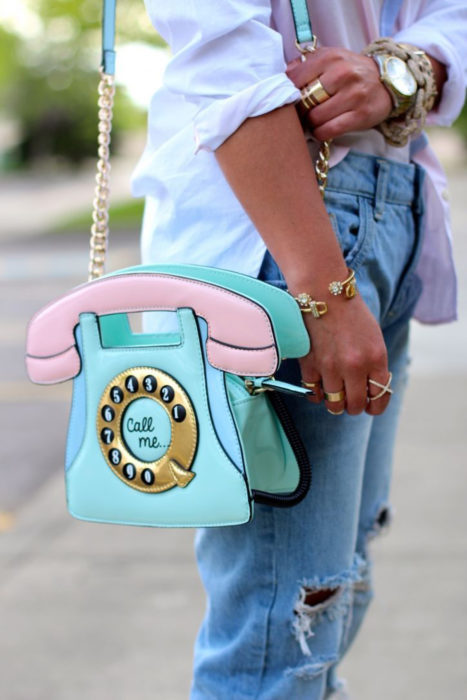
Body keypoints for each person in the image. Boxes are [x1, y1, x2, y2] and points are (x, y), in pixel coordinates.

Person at [131, 1, 467, 697]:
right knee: (280, 633)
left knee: (332, 595)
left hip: (392, 204)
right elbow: (223, 60)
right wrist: (321, 289)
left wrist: (404, 72)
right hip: (283, 225)